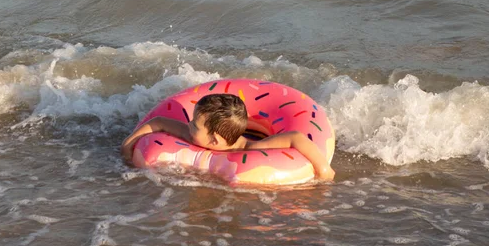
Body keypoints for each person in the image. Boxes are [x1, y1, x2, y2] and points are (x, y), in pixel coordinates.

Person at [121, 93, 335, 181]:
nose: (188, 124)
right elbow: (158, 121)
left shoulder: (252, 149)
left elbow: (296, 137)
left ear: (214, 140)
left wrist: (323, 168)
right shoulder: (191, 134)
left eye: (195, 124)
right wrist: (128, 143)